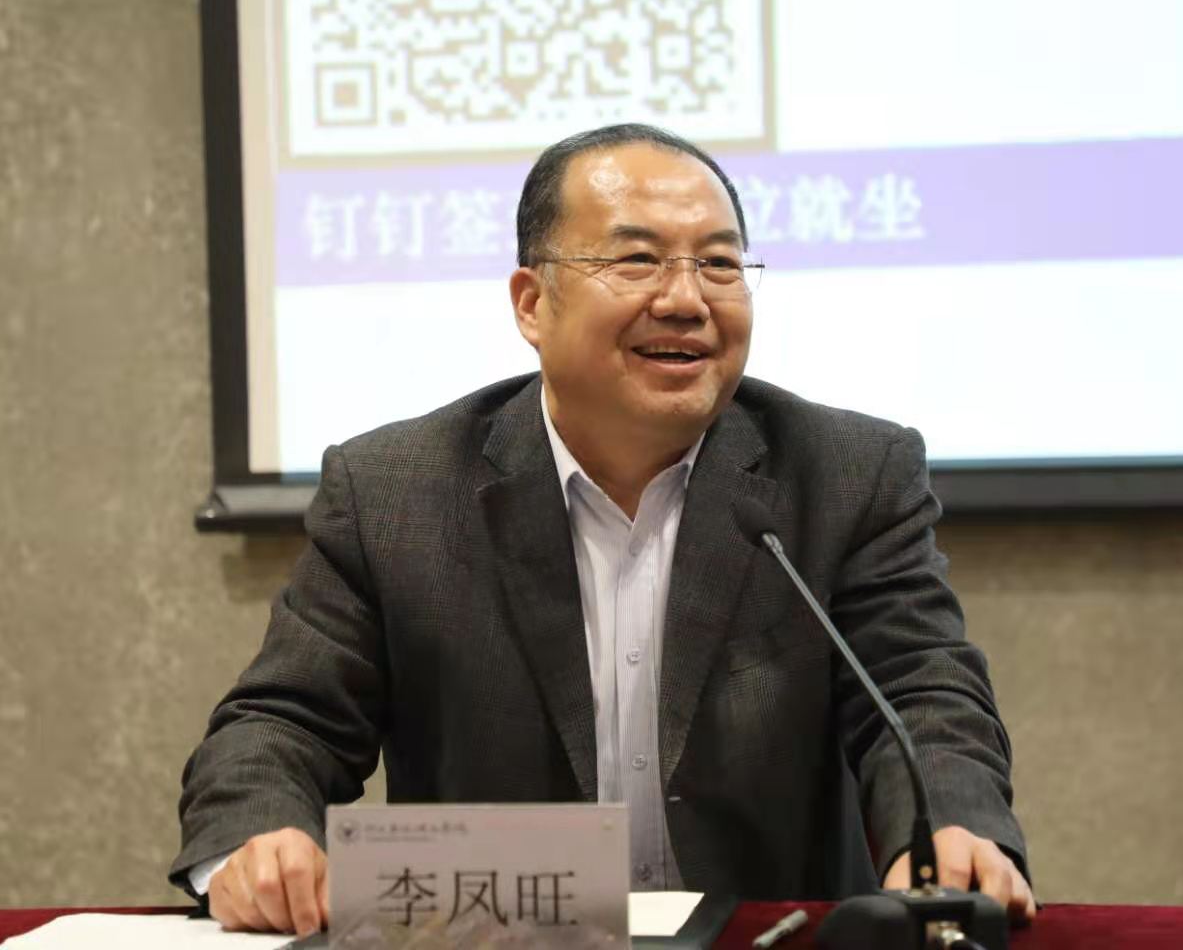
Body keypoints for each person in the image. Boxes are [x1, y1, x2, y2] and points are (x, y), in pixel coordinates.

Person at [172, 123, 1034, 936]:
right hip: (505, 944)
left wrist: (948, 826)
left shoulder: (847, 473)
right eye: (637, 261)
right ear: (531, 303)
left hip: (766, 939)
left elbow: (921, 692)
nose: (687, 300)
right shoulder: (397, 491)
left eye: (719, 264)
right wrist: (259, 836)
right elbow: (284, 723)